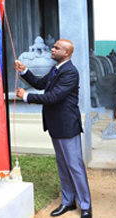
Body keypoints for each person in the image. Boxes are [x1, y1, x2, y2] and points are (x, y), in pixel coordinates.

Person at [14, 39, 92, 218]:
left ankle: (86, 205)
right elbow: (42, 84)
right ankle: (68, 202)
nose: (52, 49)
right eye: (54, 46)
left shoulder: (70, 71)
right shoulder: (57, 69)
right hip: (55, 124)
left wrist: (27, 96)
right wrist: (24, 71)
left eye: (56, 48)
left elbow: (54, 96)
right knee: (63, 166)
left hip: (67, 126)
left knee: (75, 166)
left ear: (66, 53)